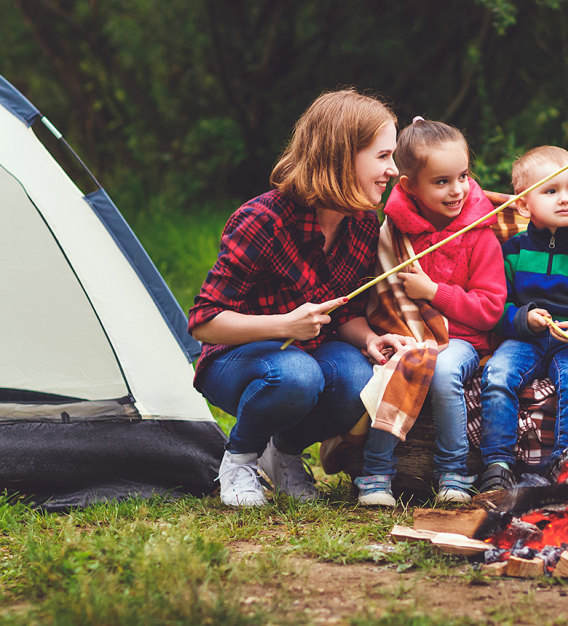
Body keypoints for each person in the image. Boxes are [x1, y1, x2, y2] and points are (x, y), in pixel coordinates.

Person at [188, 89, 413, 507]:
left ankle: (284, 453)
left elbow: (343, 311)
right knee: (296, 375)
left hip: (306, 355)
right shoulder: (263, 219)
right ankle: (239, 461)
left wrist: (368, 340)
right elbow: (203, 321)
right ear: (343, 155)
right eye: (382, 157)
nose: (393, 170)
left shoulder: (362, 222)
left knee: (358, 377)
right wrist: (284, 325)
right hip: (236, 360)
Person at [356, 118, 506, 506]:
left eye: (463, 176)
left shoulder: (479, 233)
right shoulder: (395, 233)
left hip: (464, 340)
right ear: (408, 187)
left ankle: (454, 470)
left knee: (438, 368)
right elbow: (382, 295)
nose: (457, 190)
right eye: (441, 182)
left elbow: (490, 311)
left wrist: (434, 292)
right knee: (400, 364)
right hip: (409, 331)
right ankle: (375, 472)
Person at [478, 147, 568, 491]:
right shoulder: (514, 250)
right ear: (524, 205)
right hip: (527, 337)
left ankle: (565, 470)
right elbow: (496, 307)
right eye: (551, 191)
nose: (565, 199)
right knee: (497, 374)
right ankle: (496, 464)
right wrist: (524, 319)